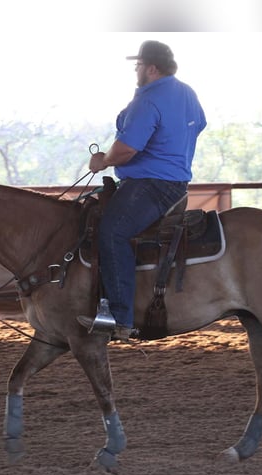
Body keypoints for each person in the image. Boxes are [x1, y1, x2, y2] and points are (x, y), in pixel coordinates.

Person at [77, 40, 207, 341]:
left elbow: (126, 150)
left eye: (138, 65)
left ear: (151, 68)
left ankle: (119, 317)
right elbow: (198, 125)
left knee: (112, 232)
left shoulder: (147, 101)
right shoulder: (187, 92)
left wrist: (102, 161)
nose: (135, 70)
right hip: (176, 183)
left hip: (150, 185)